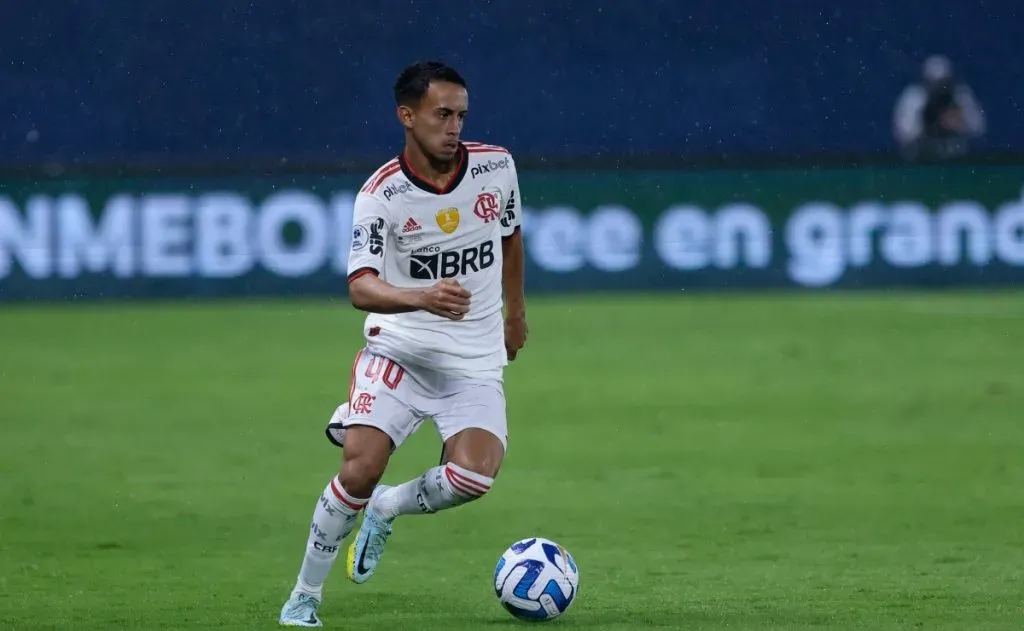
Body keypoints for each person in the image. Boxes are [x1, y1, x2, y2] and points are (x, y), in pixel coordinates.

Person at [278, 60, 527, 628]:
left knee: (474, 478)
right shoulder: (381, 195)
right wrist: (422, 297)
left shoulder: (497, 167)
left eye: (461, 115)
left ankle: (388, 507)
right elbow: (360, 287)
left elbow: (511, 237)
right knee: (360, 469)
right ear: (407, 116)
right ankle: (303, 597)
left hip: (473, 361)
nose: (454, 127)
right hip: (401, 352)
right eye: (442, 114)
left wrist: (515, 315)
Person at [892, 54, 986, 161]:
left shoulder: (961, 95)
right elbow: (904, 133)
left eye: (944, 83)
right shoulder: (914, 97)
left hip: (956, 156)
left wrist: (959, 122)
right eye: (934, 83)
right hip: (921, 156)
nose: (940, 88)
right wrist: (930, 124)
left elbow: (978, 128)